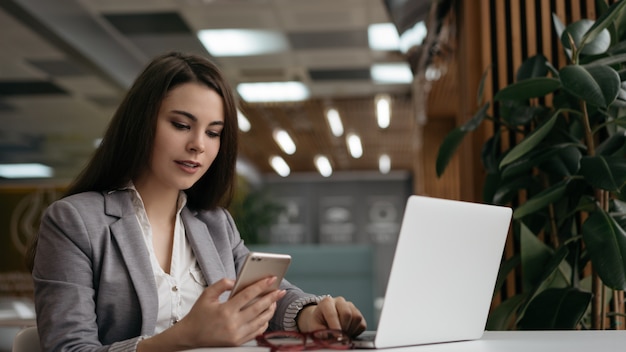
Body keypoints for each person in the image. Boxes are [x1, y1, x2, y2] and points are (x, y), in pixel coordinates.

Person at [31, 51, 366, 352]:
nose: (198, 145)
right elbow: (70, 348)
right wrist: (183, 338)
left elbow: (265, 294)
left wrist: (310, 314)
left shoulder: (214, 223)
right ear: (141, 122)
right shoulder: (74, 221)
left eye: (213, 132)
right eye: (181, 125)